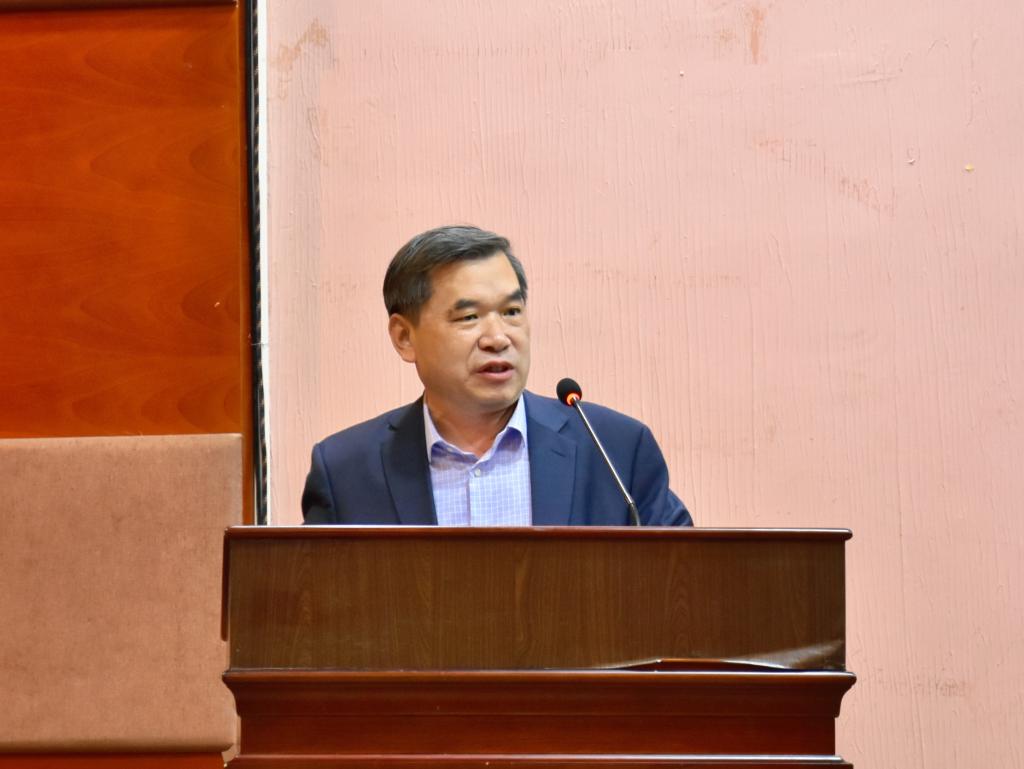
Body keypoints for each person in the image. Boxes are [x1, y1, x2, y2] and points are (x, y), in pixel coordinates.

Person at [302, 225, 692, 526]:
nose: (498, 338)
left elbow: (683, 583)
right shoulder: (346, 471)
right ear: (405, 338)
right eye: (469, 317)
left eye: (511, 312)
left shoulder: (615, 450)